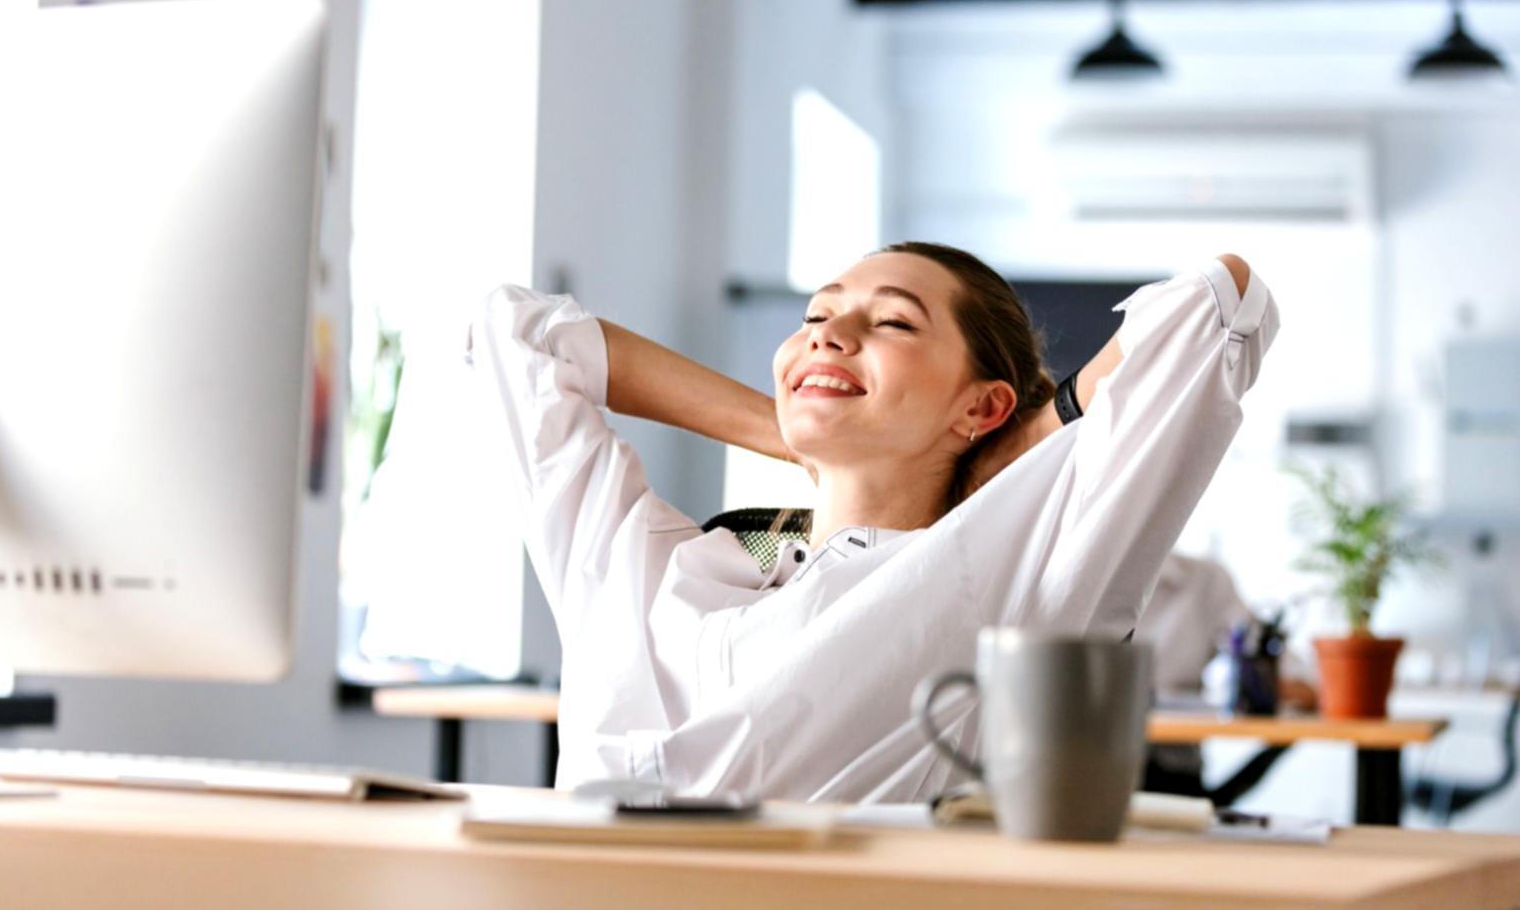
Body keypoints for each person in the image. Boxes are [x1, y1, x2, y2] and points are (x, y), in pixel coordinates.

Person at [463, 241, 1278, 802]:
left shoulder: (1003, 574)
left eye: (892, 321)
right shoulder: (659, 565)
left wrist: (1027, 438)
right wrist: (789, 434)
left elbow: (1222, 302)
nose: (831, 333)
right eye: (816, 316)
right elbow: (517, 337)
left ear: (981, 404)